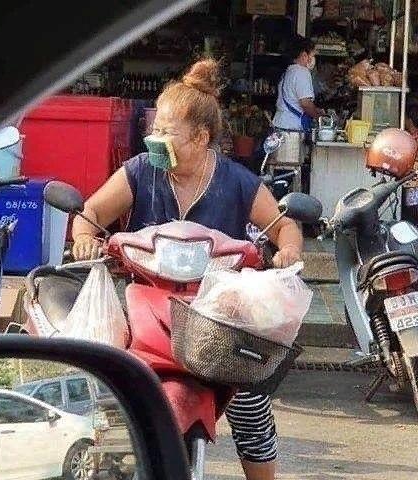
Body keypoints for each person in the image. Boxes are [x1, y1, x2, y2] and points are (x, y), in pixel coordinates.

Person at [72, 58, 303, 480]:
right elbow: (90, 213)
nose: (153, 137)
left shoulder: (237, 180)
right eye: (153, 127)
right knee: (105, 389)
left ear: (200, 137)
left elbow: (284, 226)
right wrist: (84, 237)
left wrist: (286, 253)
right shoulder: (142, 171)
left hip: (216, 316)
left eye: (165, 131)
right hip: (144, 305)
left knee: (249, 397)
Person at [273, 36, 325, 132]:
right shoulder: (302, 72)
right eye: (313, 55)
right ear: (304, 55)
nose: (313, 59)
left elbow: (293, 100)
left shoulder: (289, 71)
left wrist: (315, 109)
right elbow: (305, 103)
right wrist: (319, 118)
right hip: (292, 128)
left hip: (281, 125)